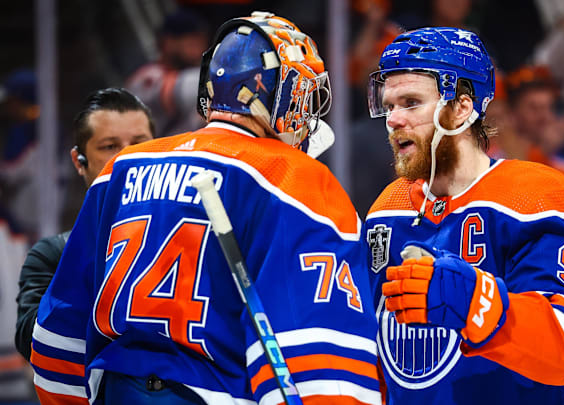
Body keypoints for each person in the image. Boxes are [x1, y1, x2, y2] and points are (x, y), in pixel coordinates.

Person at [30, 12, 380, 405]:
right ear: (283, 94)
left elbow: (61, 332)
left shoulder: (122, 167)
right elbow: (320, 361)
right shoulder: (296, 178)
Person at [364, 27, 564, 404]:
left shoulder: (533, 195)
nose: (393, 119)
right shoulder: (385, 211)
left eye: (410, 102)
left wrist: (476, 301)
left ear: (461, 108)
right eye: (389, 105)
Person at [15, 87, 156, 361]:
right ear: (79, 161)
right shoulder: (53, 255)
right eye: (110, 146)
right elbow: (29, 340)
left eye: (140, 143)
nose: (128, 157)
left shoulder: (190, 237)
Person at [125, 8, 209, 138]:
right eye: (191, 42)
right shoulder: (146, 77)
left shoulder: (192, 73)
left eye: (201, 40)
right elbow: (184, 90)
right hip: (159, 152)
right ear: (168, 43)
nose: (199, 48)